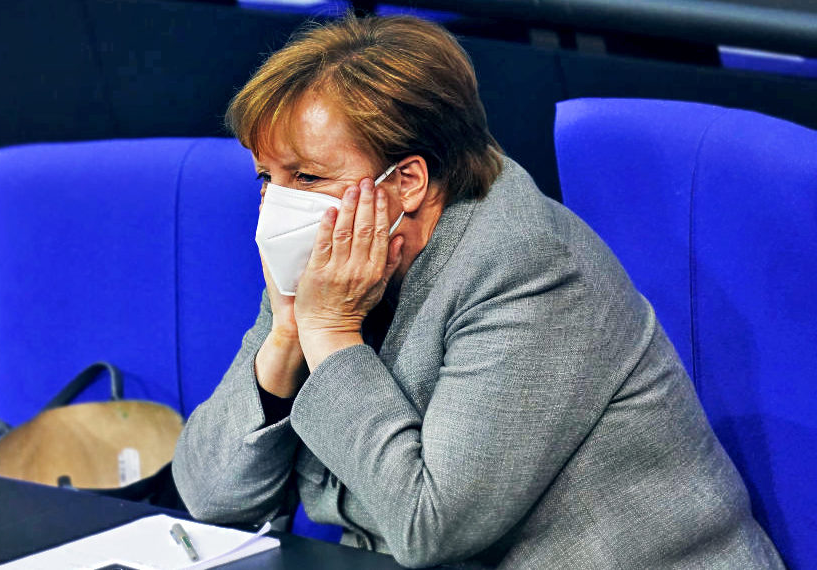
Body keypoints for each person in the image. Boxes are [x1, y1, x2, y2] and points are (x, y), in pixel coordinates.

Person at [172, 14, 784, 569]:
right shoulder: (328, 253)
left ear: (407, 180)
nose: (278, 204)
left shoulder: (527, 269)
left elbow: (429, 527)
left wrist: (328, 333)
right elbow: (210, 497)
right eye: (266, 178)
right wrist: (286, 334)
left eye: (306, 177)